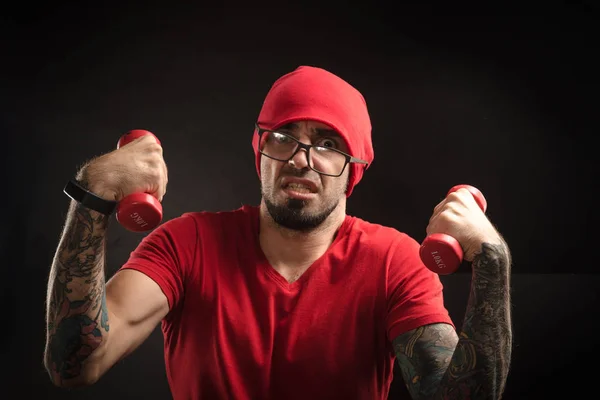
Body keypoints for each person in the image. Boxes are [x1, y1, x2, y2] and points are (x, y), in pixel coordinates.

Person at [44, 65, 512, 399]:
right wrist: (93, 199)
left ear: (354, 170)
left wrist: (493, 260)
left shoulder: (395, 261)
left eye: (328, 144)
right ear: (261, 151)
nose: (302, 158)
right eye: (285, 136)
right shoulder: (185, 245)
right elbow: (76, 365)